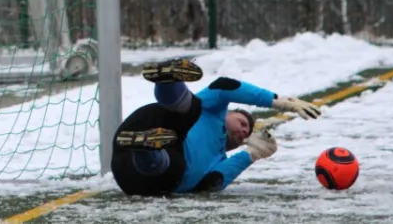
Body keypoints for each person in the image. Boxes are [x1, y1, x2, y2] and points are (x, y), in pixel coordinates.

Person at [111, 58, 322, 196]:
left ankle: (146, 149)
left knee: (173, 164)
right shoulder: (212, 109)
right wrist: (277, 101)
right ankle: (167, 80)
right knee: (190, 109)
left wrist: (253, 153)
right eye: (242, 123)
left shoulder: (219, 159)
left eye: (245, 134)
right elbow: (225, 85)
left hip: (139, 178)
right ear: (229, 113)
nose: (242, 132)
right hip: (144, 125)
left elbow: (211, 183)